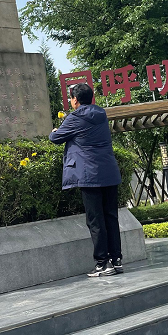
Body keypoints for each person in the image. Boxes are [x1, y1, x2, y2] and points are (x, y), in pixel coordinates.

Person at [49, 83, 123, 277]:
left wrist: (54, 131)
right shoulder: (101, 114)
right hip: (109, 172)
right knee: (110, 217)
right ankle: (116, 259)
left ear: (75, 100)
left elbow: (55, 139)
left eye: (71, 98)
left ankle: (102, 263)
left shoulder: (74, 118)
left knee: (95, 220)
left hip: (90, 176)